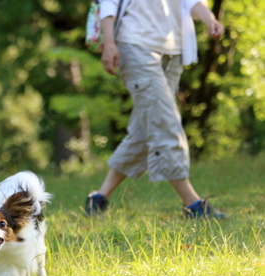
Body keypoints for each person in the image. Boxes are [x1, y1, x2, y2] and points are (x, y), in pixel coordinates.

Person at [85, 0, 227, 218]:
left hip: (173, 52)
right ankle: (193, 204)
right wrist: (110, 44)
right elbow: (108, 5)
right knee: (164, 122)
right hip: (135, 45)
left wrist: (210, 20)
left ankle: (98, 198)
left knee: (145, 128)